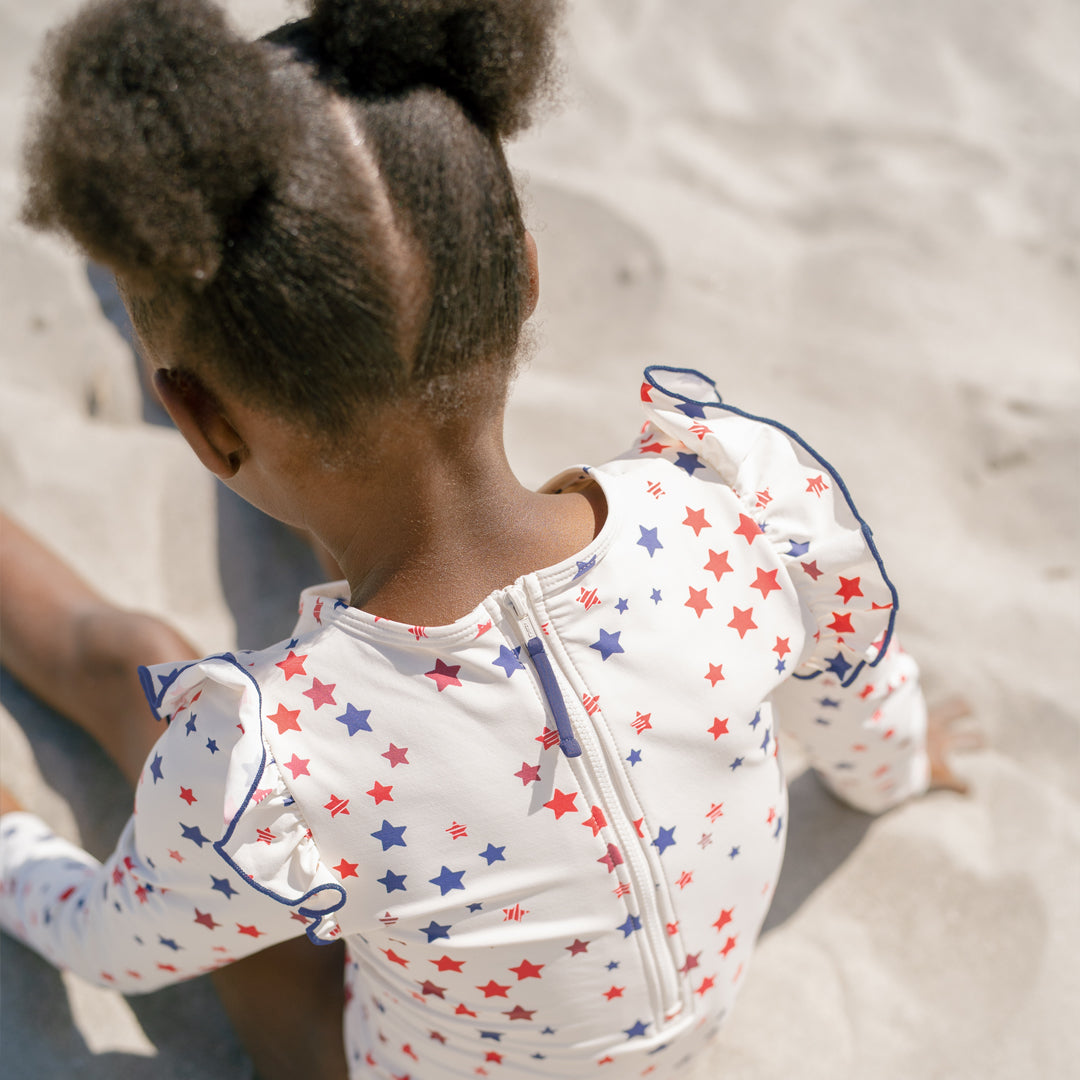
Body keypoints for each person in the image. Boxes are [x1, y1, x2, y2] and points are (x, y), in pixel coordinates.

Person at [0, 1, 973, 1078]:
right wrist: (894, 768)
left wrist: (12, 849)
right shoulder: (741, 512)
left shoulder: (263, 760)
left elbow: (116, 946)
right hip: (687, 1028)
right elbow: (860, 682)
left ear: (200, 425)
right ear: (527, 275)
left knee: (133, 658)